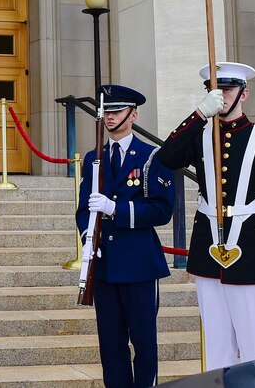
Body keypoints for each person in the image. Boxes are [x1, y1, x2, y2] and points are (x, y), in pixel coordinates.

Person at [158, 62, 255, 370]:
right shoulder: (200, 137)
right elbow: (167, 157)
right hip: (208, 253)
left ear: (244, 94)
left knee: (254, 348)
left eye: (228, 89)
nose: (220, 96)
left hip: (251, 253)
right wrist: (199, 115)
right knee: (216, 346)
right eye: (213, 90)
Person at [76, 84, 174, 388]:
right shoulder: (95, 157)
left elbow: (161, 210)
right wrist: (88, 240)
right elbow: (83, 209)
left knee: (144, 343)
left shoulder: (151, 157)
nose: (109, 117)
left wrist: (116, 209)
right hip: (104, 265)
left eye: (116, 111)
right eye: (106, 111)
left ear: (133, 114)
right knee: (111, 344)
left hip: (138, 263)